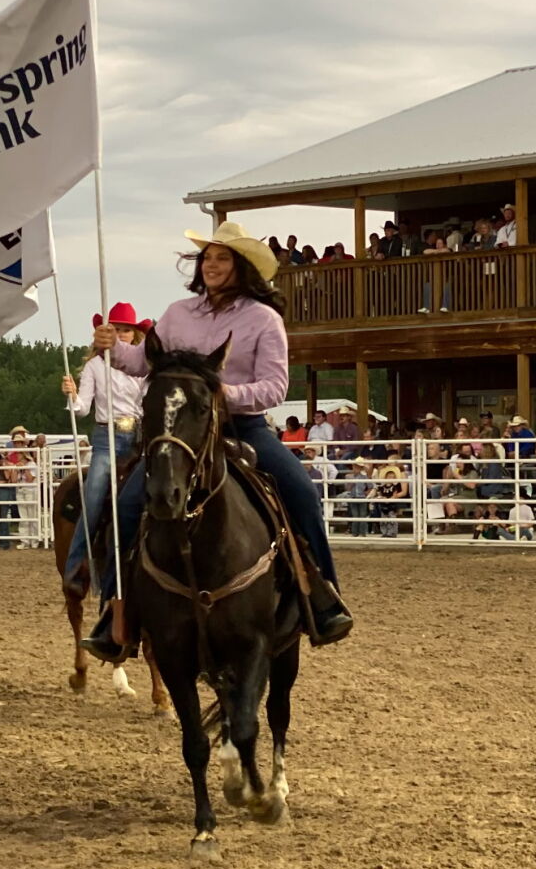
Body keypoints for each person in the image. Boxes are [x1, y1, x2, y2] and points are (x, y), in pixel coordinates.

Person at [81, 221, 354, 661]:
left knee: (302, 493)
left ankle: (324, 598)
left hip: (242, 428)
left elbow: (275, 387)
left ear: (240, 266)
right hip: (183, 434)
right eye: (207, 257)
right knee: (127, 506)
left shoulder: (264, 319)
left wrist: (224, 394)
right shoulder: (177, 314)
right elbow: (144, 362)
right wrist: (111, 348)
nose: (211, 264)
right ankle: (116, 614)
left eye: (222, 257)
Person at [60, 302, 148, 585]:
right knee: (94, 493)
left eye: (126, 330)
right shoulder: (95, 366)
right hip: (106, 439)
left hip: (139, 438)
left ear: (135, 335)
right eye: (116, 329)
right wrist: (72, 396)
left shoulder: (146, 368)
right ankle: (75, 565)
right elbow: (83, 408)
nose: (121, 334)